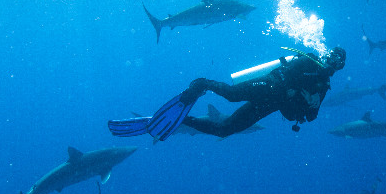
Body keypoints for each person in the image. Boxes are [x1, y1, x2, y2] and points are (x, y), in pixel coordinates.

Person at [108, 47, 346, 141]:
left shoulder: (323, 87)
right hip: (269, 86)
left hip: (270, 105)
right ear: (326, 55)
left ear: (340, 68)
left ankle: (181, 120)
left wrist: (311, 105)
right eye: (332, 58)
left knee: (224, 130)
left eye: (338, 63)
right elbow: (288, 72)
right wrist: (298, 88)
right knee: (231, 94)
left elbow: (308, 116)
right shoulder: (308, 60)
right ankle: (202, 84)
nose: (332, 64)